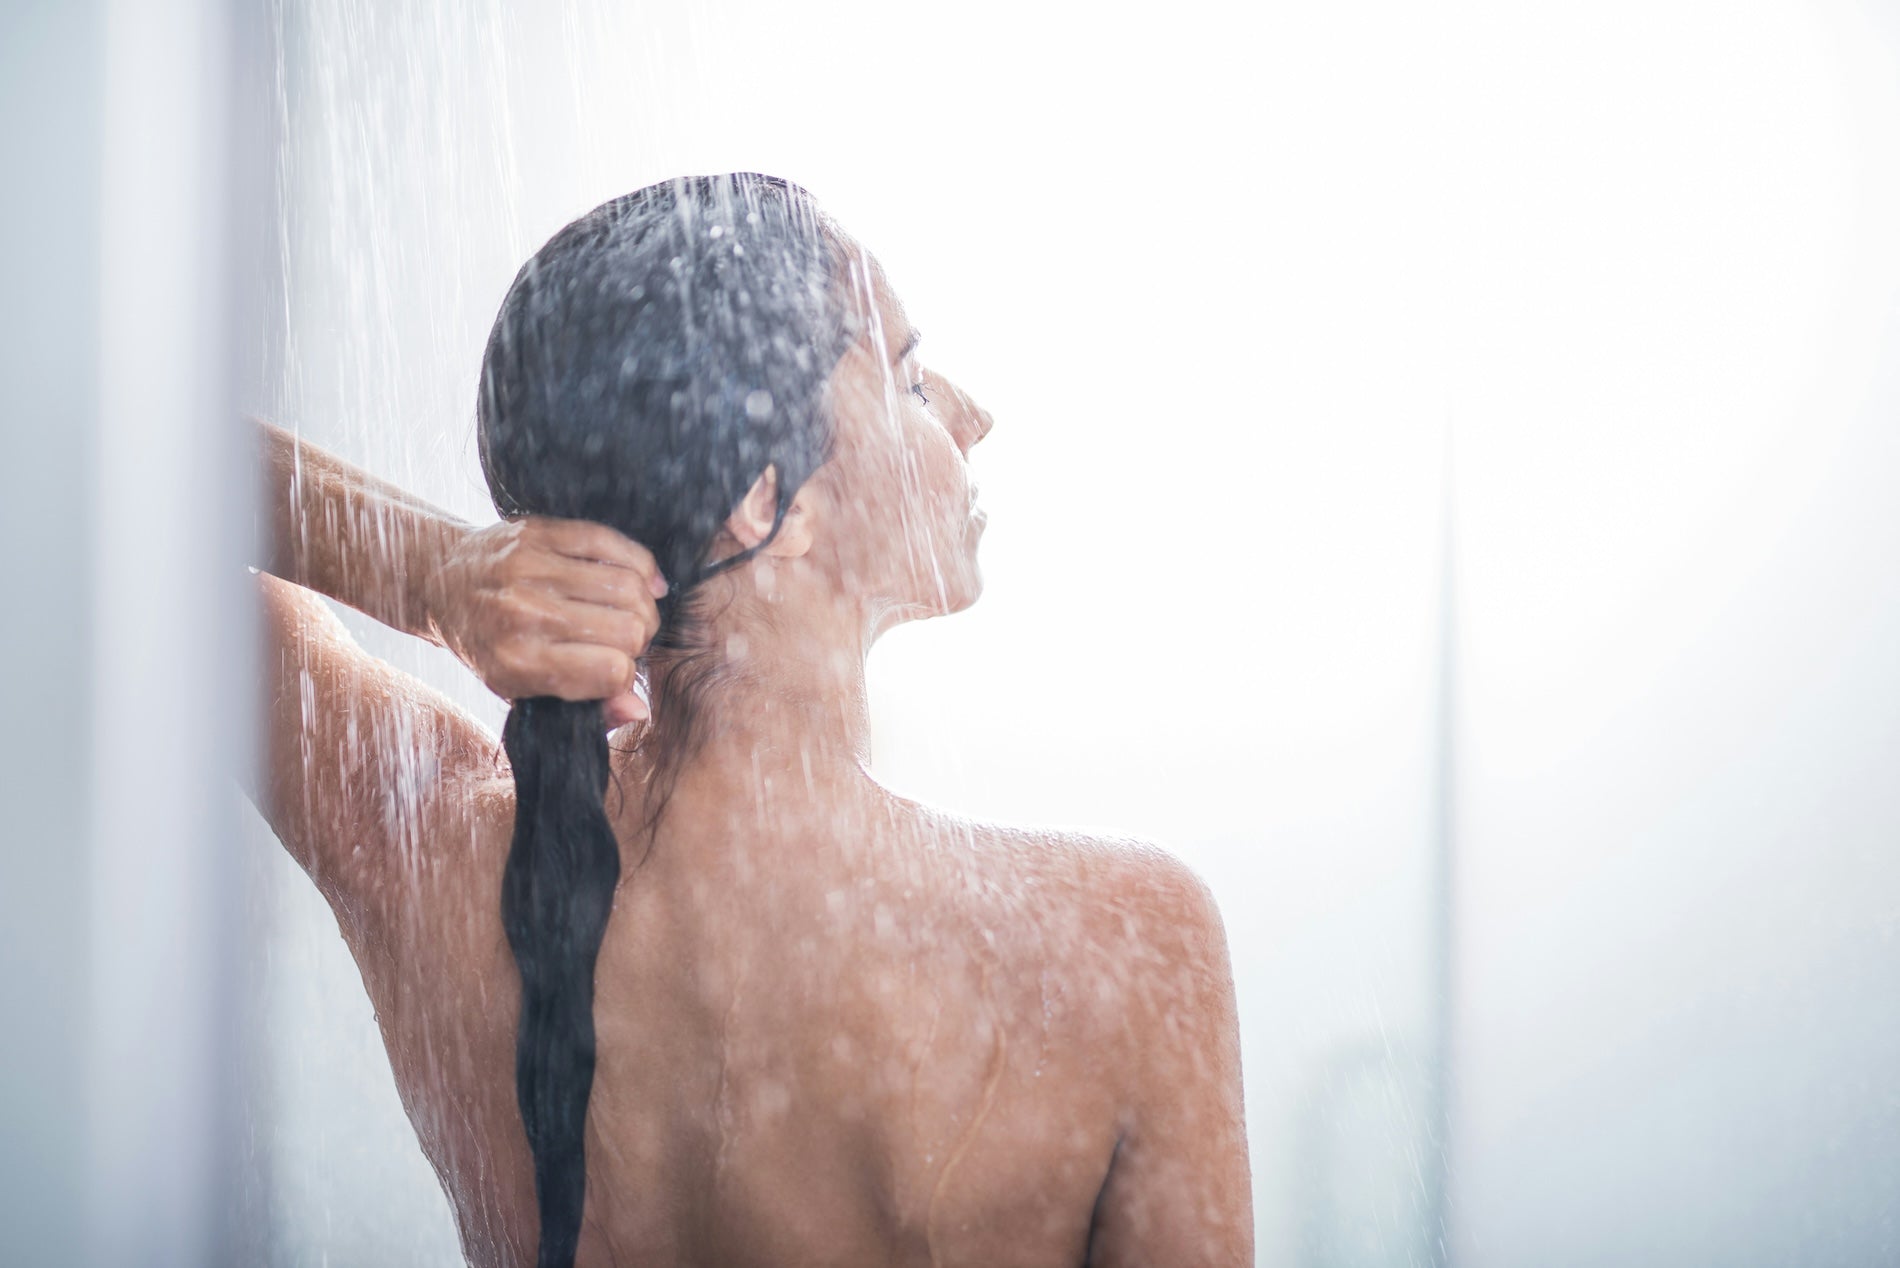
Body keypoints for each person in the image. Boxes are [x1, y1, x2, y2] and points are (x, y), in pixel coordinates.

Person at [250, 172, 1250, 1268]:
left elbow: (89, 454)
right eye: (909, 379)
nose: (969, 413)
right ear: (766, 500)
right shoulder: (1123, 943)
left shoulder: (428, 849)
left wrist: (422, 570)